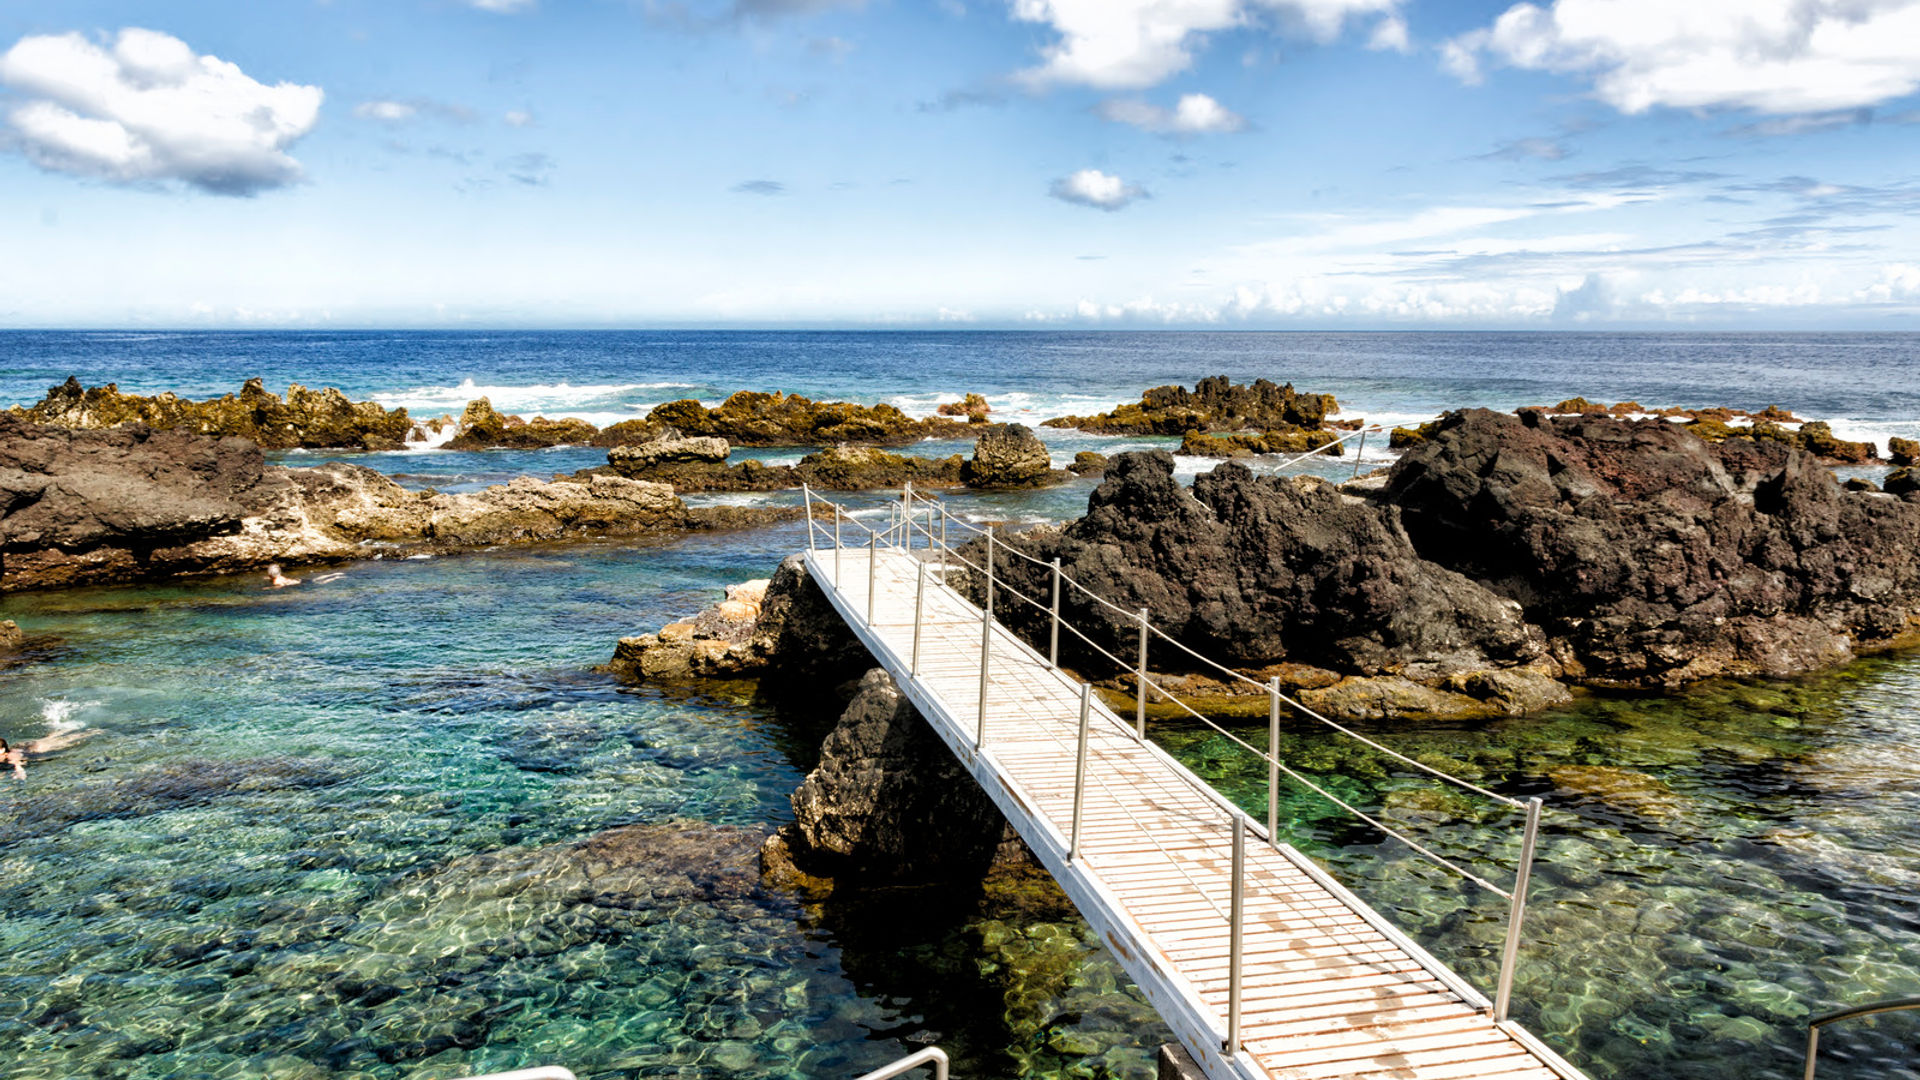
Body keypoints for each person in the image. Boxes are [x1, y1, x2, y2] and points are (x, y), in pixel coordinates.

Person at [2, 728, 96, 779]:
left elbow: (17, 764)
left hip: (39, 748)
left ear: (2, 749)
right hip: (30, 745)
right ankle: (65, 729)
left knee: (65, 741)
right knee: (51, 739)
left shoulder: (10, 755)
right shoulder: (5, 753)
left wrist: (20, 773)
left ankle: (91, 732)